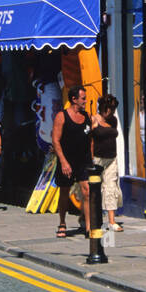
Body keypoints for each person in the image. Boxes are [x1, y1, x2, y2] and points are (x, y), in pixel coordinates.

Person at [52, 85, 92, 238]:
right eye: (83, 98)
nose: (85, 101)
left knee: (87, 191)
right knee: (64, 192)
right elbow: (55, 141)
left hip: (84, 160)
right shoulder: (62, 116)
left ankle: (88, 226)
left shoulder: (87, 116)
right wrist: (63, 161)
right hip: (67, 160)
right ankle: (62, 223)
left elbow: (91, 139)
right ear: (74, 99)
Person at [91, 93, 123, 231]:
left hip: (111, 158)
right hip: (97, 159)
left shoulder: (113, 121)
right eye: (111, 109)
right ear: (105, 108)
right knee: (94, 190)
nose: (113, 112)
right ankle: (86, 217)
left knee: (111, 187)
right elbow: (90, 140)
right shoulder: (93, 119)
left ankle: (111, 221)